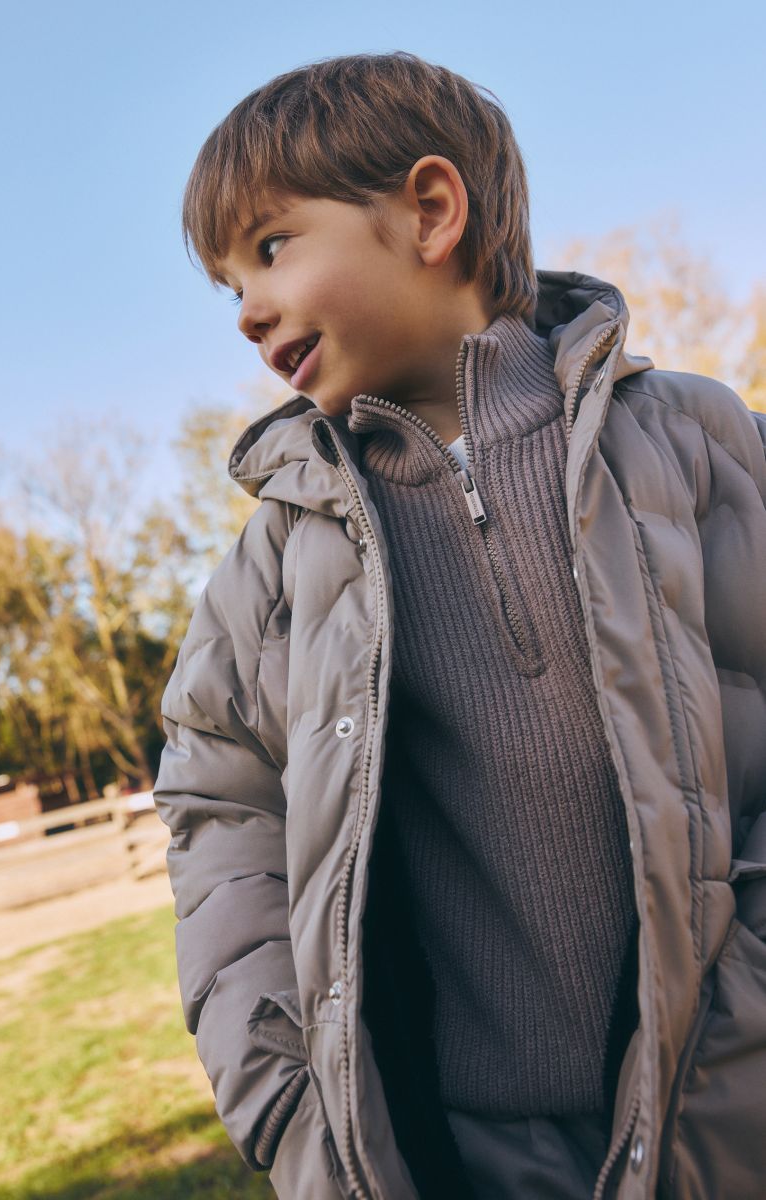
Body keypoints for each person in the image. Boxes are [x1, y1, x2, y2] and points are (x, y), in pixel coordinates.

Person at [153, 51, 766, 1200]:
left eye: (272, 247)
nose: (245, 311)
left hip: (725, 1084)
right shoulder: (280, 560)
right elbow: (215, 806)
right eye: (228, 282)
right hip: (468, 1145)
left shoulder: (694, 445)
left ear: (431, 211)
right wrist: (289, 1094)